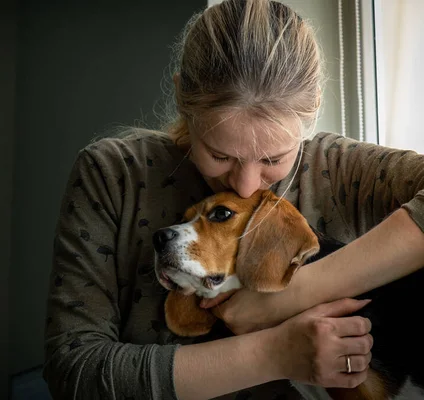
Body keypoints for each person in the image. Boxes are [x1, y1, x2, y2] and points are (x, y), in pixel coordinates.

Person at [42, 0, 424, 399]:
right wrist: (270, 354)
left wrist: (294, 293)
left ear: (312, 112)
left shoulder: (342, 169)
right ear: (181, 100)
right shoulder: (113, 173)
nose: (246, 186)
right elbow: (74, 371)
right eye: (220, 155)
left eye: (274, 159)